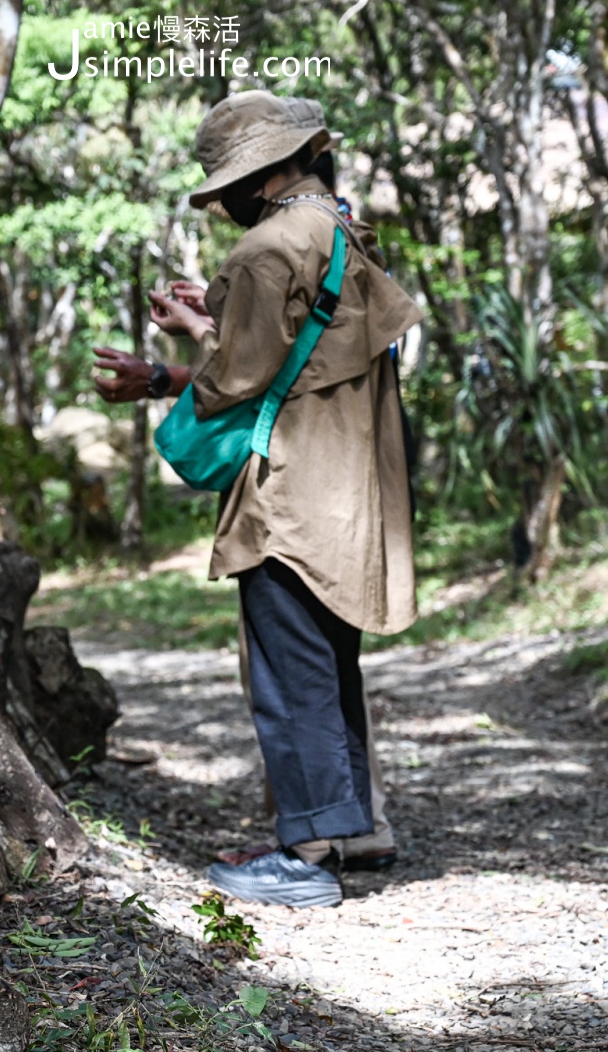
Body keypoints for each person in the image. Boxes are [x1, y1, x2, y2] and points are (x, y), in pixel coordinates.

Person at [94, 91, 420, 908]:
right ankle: (357, 826)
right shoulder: (342, 232)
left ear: (263, 172)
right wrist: (218, 320)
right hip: (348, 487)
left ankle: (307, 850)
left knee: (288, 669)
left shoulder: (265, 249)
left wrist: (195, 338)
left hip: (290, 491)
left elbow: (234, 380)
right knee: (329, 658)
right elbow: (300, 358)